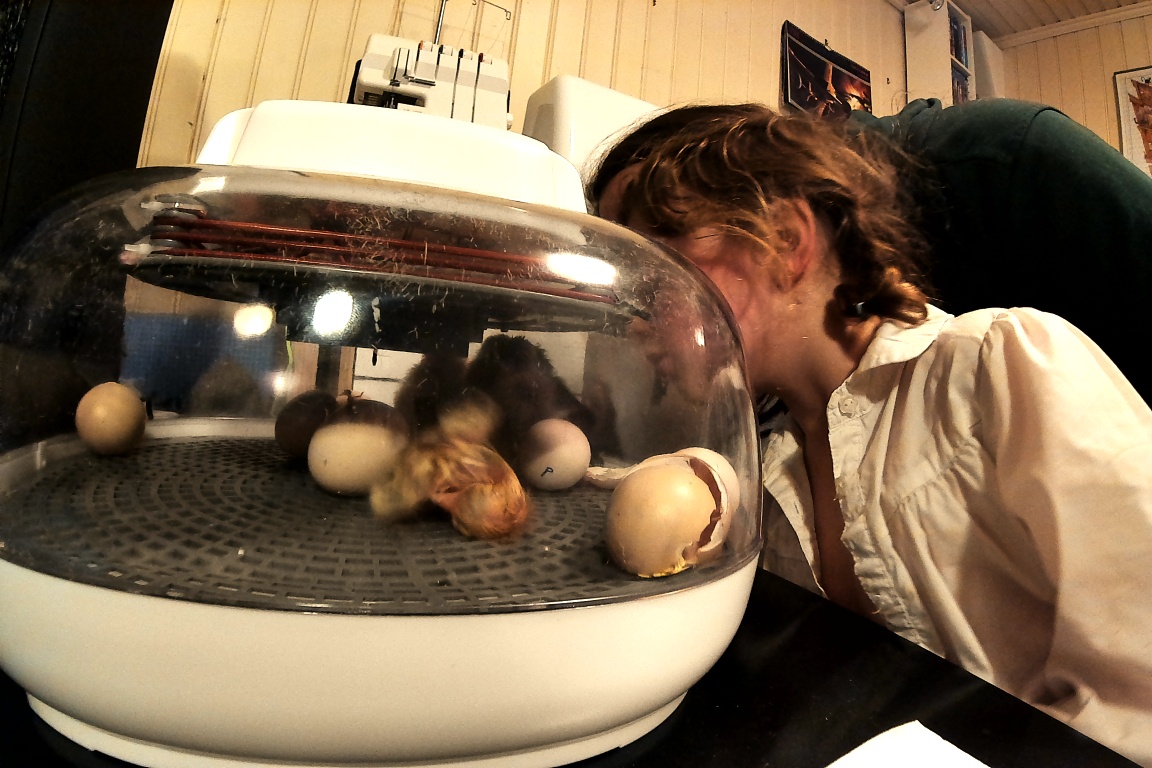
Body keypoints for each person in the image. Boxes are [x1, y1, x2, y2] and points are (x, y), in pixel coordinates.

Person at [587, 101, 1152, 765]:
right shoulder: (770, 462)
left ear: (784, 241)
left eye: (658, 275)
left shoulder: (998, 365)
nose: (636, 322)